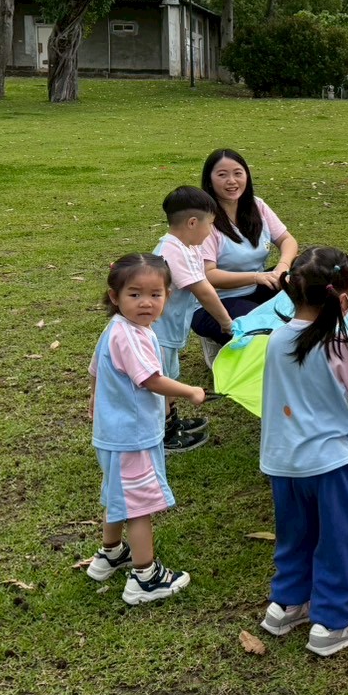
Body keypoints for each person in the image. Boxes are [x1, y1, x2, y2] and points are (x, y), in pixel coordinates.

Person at [257, 247, 348, 657]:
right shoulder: (339, 339)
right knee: (340, 539)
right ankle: (331, 621)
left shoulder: (276, 337)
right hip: (328, 464)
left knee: (295, 534)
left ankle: (286, 604)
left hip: (283, 462)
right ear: (343, 300)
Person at [85, 254, 206, 605]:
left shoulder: (119, 330)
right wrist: (190, 391)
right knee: (139, 507)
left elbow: (95, 369)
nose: (146, 303)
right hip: (132, 437)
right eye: (135, 294)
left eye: (156, 294)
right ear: (115, 297)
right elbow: (151, 380)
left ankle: (111, 553)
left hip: (112, 434)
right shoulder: (132, 337)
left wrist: (94, 400)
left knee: (117, 495)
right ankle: (145, 576)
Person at [153, 186, 236, 452]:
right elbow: (203, 290)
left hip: (170, 329)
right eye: (210, 224)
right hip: (158, 331)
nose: (211, 231)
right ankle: (164, 435)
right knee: (161, 383)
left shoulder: (186, 247)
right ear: (192, 223)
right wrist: (226, 323)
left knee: (170, 376)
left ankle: (172, 421)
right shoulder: (172, 250)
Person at [193, 149, 299, 349]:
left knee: (309, 291)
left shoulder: (257, 206)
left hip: (257, 287)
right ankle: (217, 340)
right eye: (222, 175)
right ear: (209, 180)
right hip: (217, 302)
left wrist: (282, 267)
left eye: (238, 173)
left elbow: (287, 240)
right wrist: (256, 277)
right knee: (264, 332)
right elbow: (208, 275)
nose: (231, 181)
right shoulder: (205, 219)